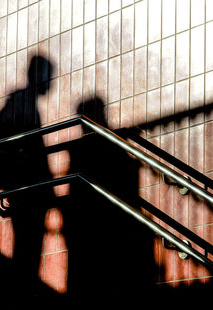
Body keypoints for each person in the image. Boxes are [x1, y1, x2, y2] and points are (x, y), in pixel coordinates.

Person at [62, 98, 156, 298]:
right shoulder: (111, 143)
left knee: (95, 280)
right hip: (105, 222)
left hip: (94, 225)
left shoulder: (85, 149)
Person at [0, 55, 56, 293]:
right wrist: (47, 185)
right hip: (24, 188)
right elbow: (31, 148)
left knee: (25, 247)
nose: (50, 82)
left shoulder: (21, 102)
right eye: (48, 76)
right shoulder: (22, 103)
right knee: (28, 247)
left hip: (22, 187)